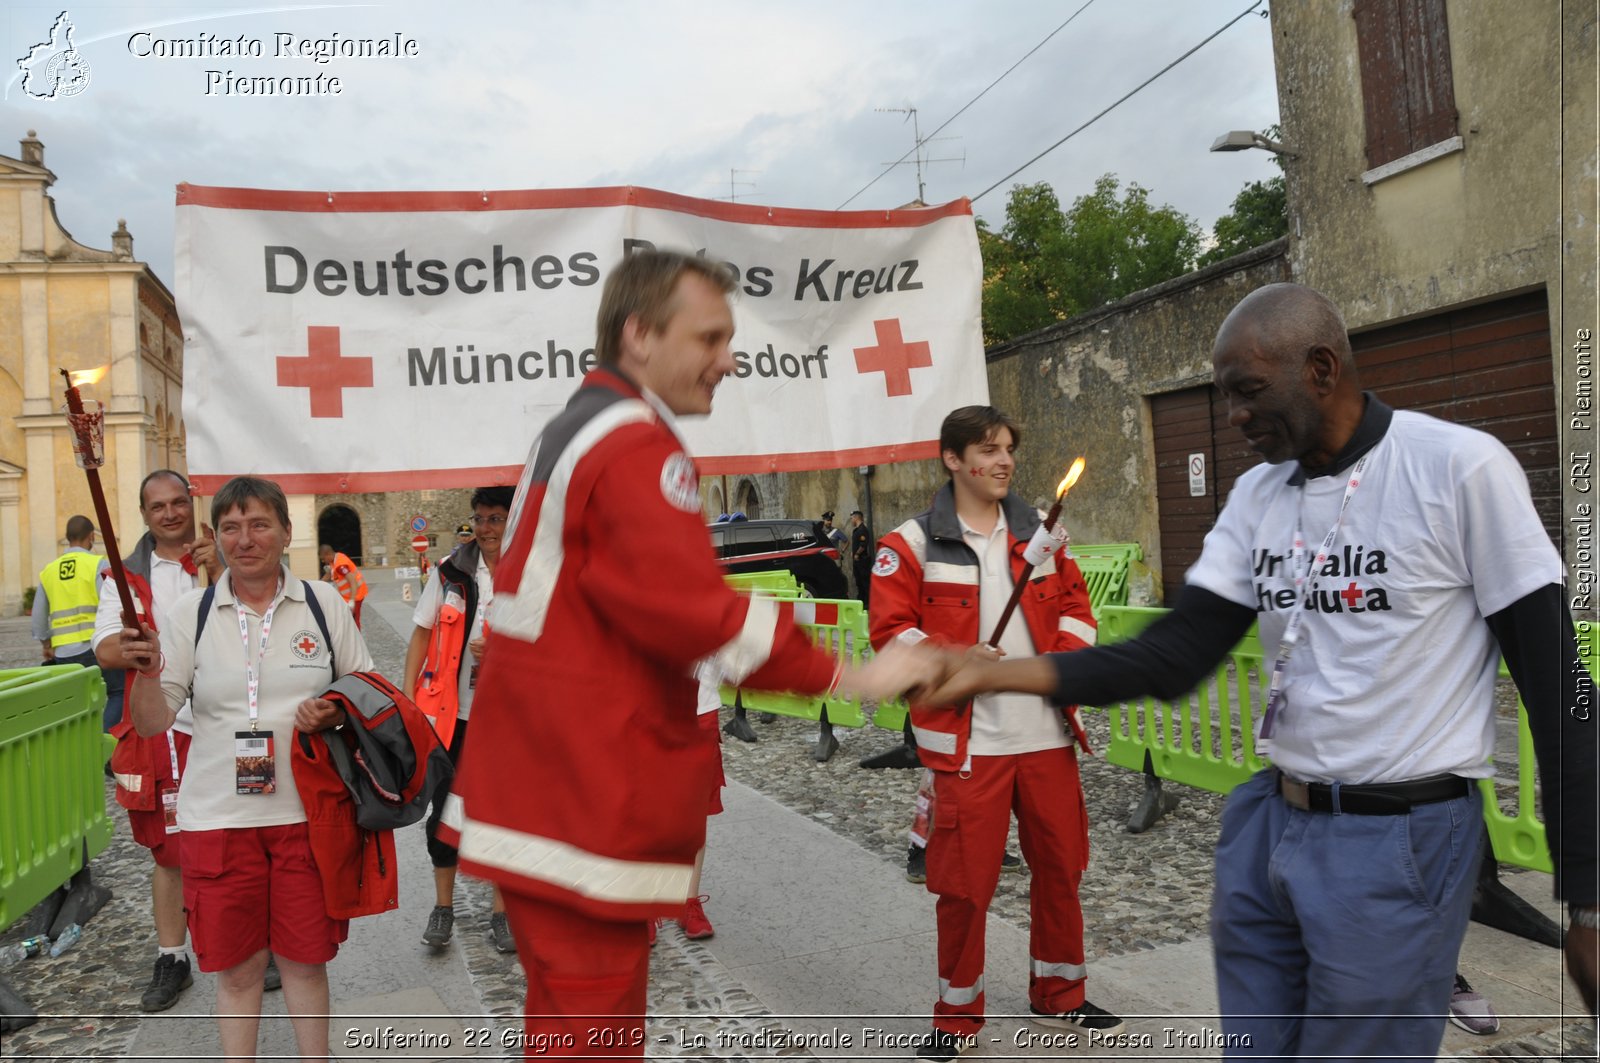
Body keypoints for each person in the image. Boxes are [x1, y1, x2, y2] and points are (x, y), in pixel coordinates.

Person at [926, 283, 1599, 1057]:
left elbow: (1564, 692)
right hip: (1269, 826)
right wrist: (993, 675)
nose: (1234, 416)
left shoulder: (1458, 469)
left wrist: (1589, 903)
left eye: (1248, 392)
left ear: (1320, 368)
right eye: (1225, 397)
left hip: (1398, 835)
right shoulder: (1256, 493)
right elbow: (1177, 652)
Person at [438, 249, 938, 1059]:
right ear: (639, 334)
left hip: (538, 781)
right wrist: (852, 671)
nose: (727, 359)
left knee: (561, 1029)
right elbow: (688, 605)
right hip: (586, 795)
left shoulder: (570, 426)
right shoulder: (636, 442)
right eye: (708, 337)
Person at [870, 405, 1121, 1060]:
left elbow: (1077, 610)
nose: (1004, 459)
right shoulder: (910, 545)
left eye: (1008, 447)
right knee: (963, 886)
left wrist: (1053, 668)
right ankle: (956, 1017)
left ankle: (1060, 995)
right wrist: (957, 657)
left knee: (1062, 867)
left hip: (1044, 735)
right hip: (968, 744)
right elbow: (891, 637)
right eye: (988, 449)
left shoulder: (1040, 533)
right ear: (953, 459)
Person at [119, 475, 374, 1062]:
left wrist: (330, 713)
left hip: (306, 816)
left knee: (305, 965)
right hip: (218, 819)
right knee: (237, 973)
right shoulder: (192, 612)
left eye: (259, 524)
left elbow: (364, 695)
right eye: (231, 527)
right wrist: (148, 673)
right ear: (217, 536)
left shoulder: (322, 603)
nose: (245, 538)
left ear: (286, 532)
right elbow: (155, 723)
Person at [91, 470, 221, 1012]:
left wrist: (218, 569)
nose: (169, 514)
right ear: (144, 515)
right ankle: (173, 957)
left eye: (177, 503)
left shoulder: (224, 556)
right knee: (168, 853)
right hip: (165, 727)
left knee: (239, 843)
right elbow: (102, 648)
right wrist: (138, 649)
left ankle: (249, 949)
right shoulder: (124, 575)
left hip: (226, 720)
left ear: (190, 505)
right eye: (156, 507)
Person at [402, 486, 515, 954]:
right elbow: (421, 634)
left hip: (512, 719)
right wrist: (409, 700)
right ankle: (443, 907)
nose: (485, 529)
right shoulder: (450, 572)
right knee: (446, 812)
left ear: (515, 520)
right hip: (455, 717)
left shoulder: (533, 572)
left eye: (495, 519)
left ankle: (502, 912)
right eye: (480, 519)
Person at [33, 514, 105, 665]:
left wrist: (46, 643)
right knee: (111, 689)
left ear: (67, 537)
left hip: (62, 652)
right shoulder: (98, 565)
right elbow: (111, 604)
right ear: (92, 536)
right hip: (96, 646)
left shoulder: (48, 571)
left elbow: (38, 617)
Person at [318, 543, 368, 627]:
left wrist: (352, 601)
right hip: (348, 596)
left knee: (354, 621)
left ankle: (355, 639)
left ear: (328, 554)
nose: (323, 561)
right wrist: (317, 584)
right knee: (347, 619)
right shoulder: (335, 559)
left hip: (356, 595)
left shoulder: (340, 566)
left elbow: (353, 581)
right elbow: (329, 574)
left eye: (323, 559)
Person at [849, 509, 874, 608]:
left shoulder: (862, 530)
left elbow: (863, 545)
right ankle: (861, 602)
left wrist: (857, 554)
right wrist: (853, 552)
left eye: (852, 518)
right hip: (857, 561)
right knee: (859, 582)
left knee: (865, 582)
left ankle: (868, 603)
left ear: (856, 518)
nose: (851, 521)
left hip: (862, 560)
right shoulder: (856, 530)